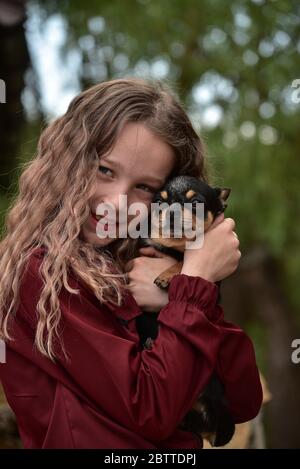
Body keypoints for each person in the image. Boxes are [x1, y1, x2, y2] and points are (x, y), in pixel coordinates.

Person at [0, 77, 262, 449]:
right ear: (66, 163)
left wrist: (183, 292)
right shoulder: (41, 275)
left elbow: (241, 400)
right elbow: (151, 410)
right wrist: (195, 284)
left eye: (145, 187)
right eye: (105, 170)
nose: (118, 202)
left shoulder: (143, 269)